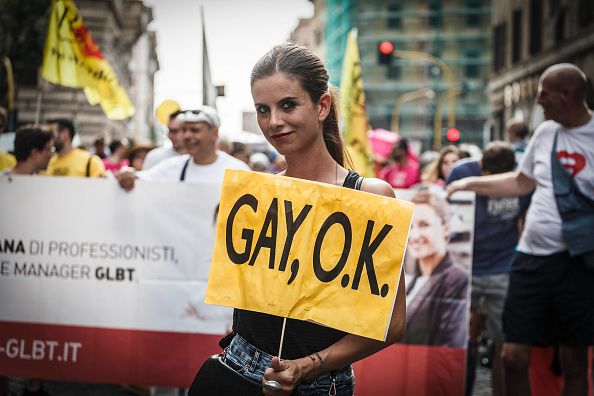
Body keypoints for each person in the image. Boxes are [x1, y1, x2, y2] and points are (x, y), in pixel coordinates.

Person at [195, 43, 406, 396]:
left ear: (322, 106)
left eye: (288, 105)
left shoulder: (370, 196)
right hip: (233, 371)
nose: (274, 122)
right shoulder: (255, 194)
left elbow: (392, 324)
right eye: (263, 109)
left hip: (320, 386)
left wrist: (310, 365)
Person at [447, 63, 594, 396]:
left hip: (577, 264)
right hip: (530, 261)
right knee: (512, 356)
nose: (539, 99)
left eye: (545, 92)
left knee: (574, 361)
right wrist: (470, 183)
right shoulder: (545, 133)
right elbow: (520, 182)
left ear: (567, 94)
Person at [447, 141, 530, 396]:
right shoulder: (461, 172)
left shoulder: (522, 181)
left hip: (503, 269)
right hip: (465, 268)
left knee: (503, 347)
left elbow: (523, 222)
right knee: (460, 341)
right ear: (481, 166)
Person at [117, 106, 249, 189]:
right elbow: (139, 180)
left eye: (194, 130)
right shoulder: (172, 167)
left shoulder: (238, 171)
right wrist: (127, 174)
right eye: (184, 130)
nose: (187, 135)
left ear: (214, 133)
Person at [402, 187, 468, 348]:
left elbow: (449, 345)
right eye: (410, 227)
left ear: (445, 228)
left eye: (424, 225)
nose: (414, 235)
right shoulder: (411, 280)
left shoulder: (456, 279)